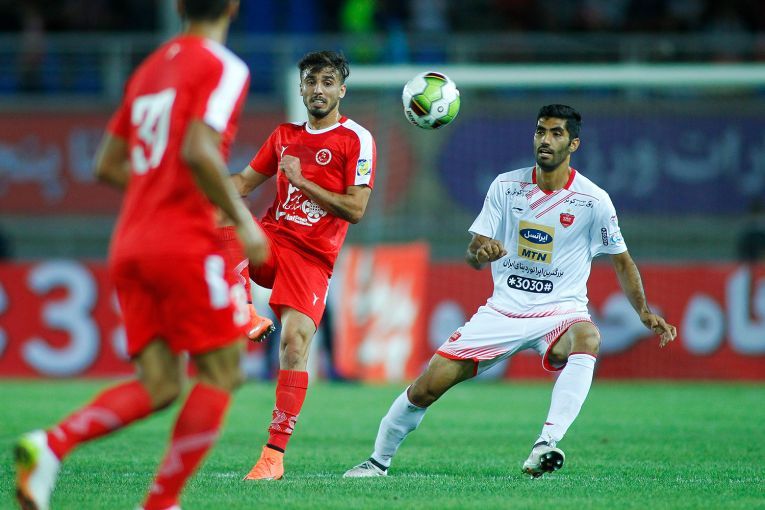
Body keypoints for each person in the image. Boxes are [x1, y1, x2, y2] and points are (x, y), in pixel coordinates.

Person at [13, 1, 268, 509]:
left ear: (178, 6)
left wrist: (158, 192)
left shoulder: (151, 67)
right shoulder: (224, 66)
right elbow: (199, 149)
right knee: (223, 372)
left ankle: (52, 444)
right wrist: (243, 221)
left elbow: (106, 164)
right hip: (183, 243)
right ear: (233, 6)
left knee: (160, 383)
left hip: (131, 242)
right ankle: (160, 503)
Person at [344, 104, 677, 479]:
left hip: (560, 312)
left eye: (556, 133)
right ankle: (377, 461)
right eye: (540, 131)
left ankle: (546, 443)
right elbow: (474, 252)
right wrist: (480, 252)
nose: (545, 140)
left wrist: (643, 311)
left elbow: (622, 260)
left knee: (588, 336)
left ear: (574, 144)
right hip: (502, 312)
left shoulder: (593, 201)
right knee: (425, 388)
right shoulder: (505, 186)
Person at [217, 50, 376, 481]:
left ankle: (273, 456)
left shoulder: (356, 139)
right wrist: (205, 185)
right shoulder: (284, 135)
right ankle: (243, 309)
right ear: (301, 89)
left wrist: (302, 180)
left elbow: (356, 209)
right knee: (221, 206)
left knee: (293, 344)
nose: (318, 89)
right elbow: (243, 183)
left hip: (313, 259)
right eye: (311, 82)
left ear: (341, 91)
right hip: (272, 241)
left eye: (327, 82)